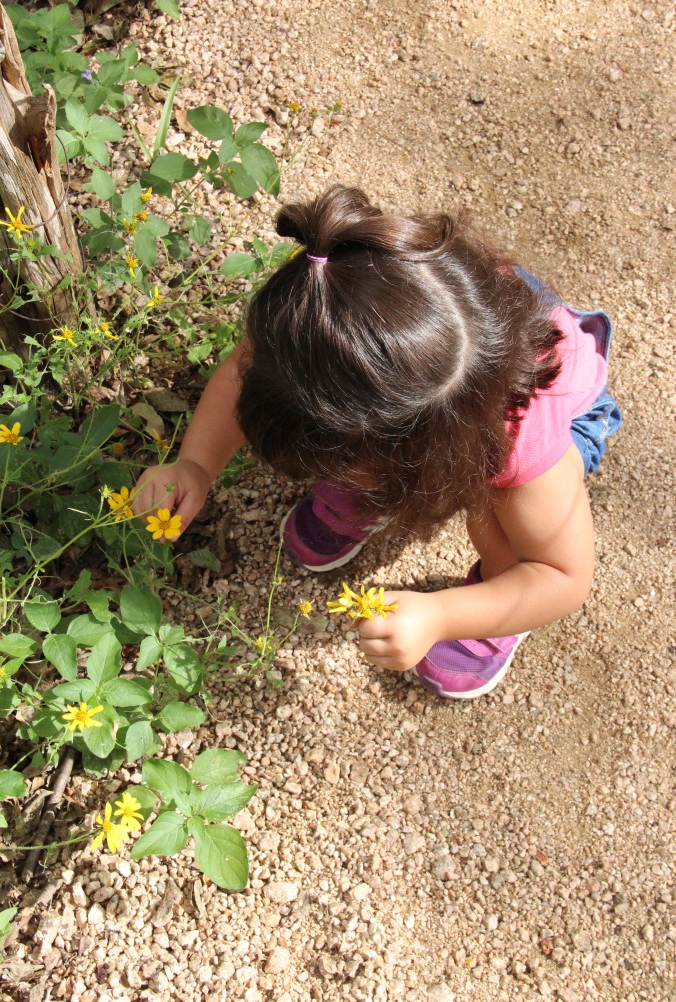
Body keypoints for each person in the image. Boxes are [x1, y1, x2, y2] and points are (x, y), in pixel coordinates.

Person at [134, 185, 622, 700]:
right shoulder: (317, 313)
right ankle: (367, 483)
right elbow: (242, 369)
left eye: (349, 465)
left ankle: (494, 610)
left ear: (428, 458)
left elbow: (562, 575)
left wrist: (440, 615)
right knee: (353, 432)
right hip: (444, 361)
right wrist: (195, 465)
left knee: (496, 518)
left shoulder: (518, 441)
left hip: (543, 406)